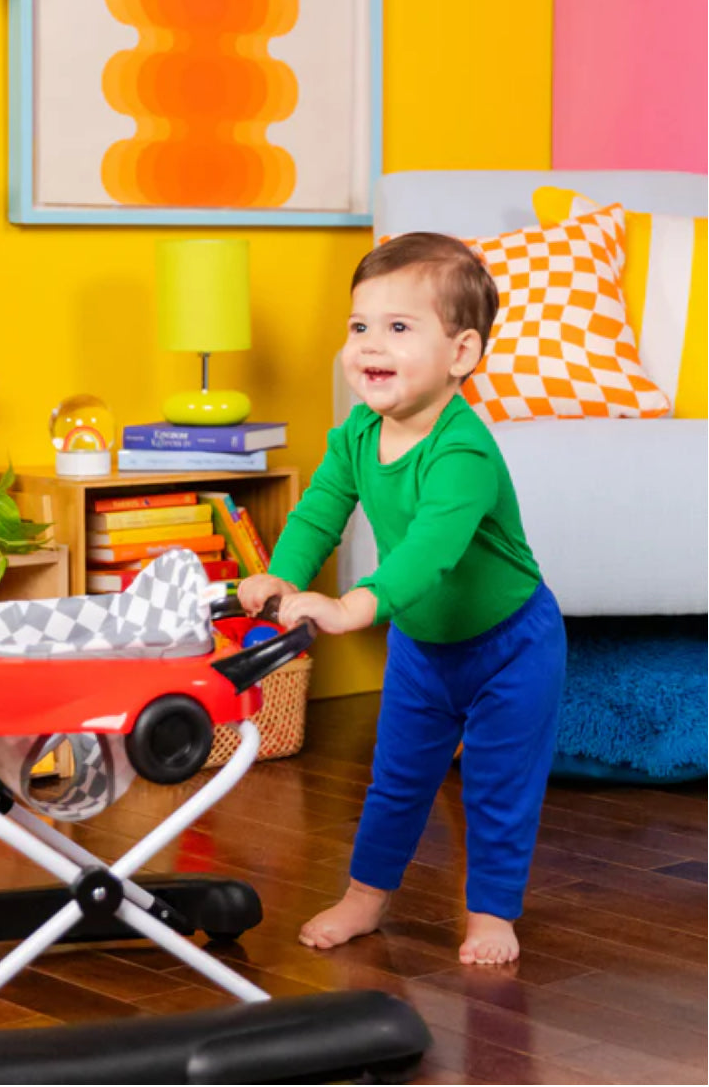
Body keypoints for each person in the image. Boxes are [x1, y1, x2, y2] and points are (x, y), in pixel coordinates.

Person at [238, 232, 566, 966]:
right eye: (359, 327)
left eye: (398, 327)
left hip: (513, 645)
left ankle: (490, 912)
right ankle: (365, 897)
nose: (369, 346)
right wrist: (284, 575)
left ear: (462, 355)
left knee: (495, 786)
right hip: (424, 647)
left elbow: (428, 554)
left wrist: (355, 606)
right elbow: (321, 509)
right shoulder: (357, 432)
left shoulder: (465, 452)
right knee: (397, 779)